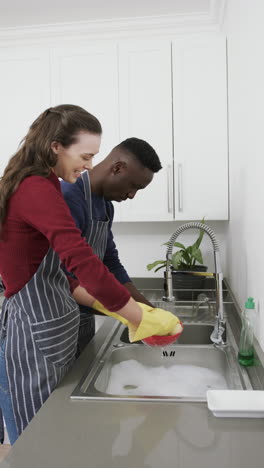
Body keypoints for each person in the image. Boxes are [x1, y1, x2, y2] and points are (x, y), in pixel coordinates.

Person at [0, 104, 181, 444]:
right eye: (85, 156)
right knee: (34, 443)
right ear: (56, 146)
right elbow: (80, 264)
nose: (88, 166)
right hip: (35, 329)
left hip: (51, 327)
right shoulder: (39, 189)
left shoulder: (48, 186)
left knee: (49, 436)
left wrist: (140, 310)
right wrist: (136, 315)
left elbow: (88, 265)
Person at [61, 137, 162, 355]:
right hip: (55, 322)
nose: (132, 195)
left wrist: (149, 309)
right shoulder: (68, 197)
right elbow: (65, 277)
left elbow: (110, 263)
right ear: (117, 168)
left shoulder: (106, 206)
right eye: (134, 186)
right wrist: (131, 312)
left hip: (81, 320)